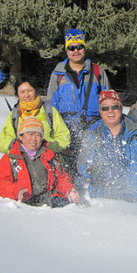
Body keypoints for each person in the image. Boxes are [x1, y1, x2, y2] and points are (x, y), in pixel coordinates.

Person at [46, 29, 110, 176]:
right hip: (66, 131)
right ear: (66, 50)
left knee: (92, 172)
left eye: (79, 47)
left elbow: (109, 101)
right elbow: (50, 107)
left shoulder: (98, 72)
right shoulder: (58, 74)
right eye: (71, 47)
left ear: (85, 48)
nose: (76, 51)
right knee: (68, 173)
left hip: (93, 130)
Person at [78, 90, 137, 202]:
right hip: (102, 201)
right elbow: (81, 165)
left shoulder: (136, 133)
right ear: (100, 111)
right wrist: (90, 169)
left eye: (114, 107)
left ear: (121, 108)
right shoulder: (92, 136)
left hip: (135, 201)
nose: (110, 111)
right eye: (105, 108)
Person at [0, 116, 80, 207]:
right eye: (30, 134)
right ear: (20, 136)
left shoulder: (48, 155)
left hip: (48, 199)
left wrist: (69, 190)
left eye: (38, 135)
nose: (34, 139)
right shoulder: (11, 157)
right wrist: (16, 192)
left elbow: (60, 178)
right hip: (22, 203)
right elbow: (0, 183)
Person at [0, 75, 70, 156]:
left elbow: (64, 137)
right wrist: (20, 146)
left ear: (36, 91)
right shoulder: (14, 115)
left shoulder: (49, 110)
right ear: (17, 95)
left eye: (30, 90)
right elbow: (4, 142)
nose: (27, 95)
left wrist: (46, 147)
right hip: (22, 163)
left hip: (48, 161)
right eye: (22, 92)